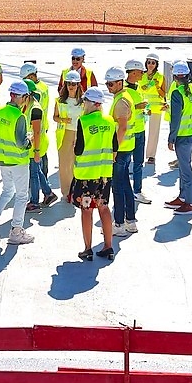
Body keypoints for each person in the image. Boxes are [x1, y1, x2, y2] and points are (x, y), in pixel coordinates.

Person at [0, 81, 36, 245]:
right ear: (22, 97)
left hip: (3, 159)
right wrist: (30, 141)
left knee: (7, 191)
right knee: (22, 196)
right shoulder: (19, 116)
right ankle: (16, 231)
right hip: (18, 161)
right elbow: (21, 143)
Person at [70, 86, 116, 261]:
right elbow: (115, 146)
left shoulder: (84, 121)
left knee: (87, 210)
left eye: (85, 102)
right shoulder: (110, 121)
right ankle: (108, 246)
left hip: (86, 175)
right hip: (104, 174)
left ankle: (88, 249)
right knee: (104, 208)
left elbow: (79, 149)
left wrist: (74, 146)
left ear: (93, 103)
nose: (83, 105)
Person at [166, 60, 192, 214]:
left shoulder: (177, 93)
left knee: (186, 170)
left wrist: (171, 138)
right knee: (183, 167)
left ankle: (190, 203)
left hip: (183, 137)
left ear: (175, 77)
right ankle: (183, 198)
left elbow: (175, 119)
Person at [104, 67, 138, 235]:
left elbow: (122, 128)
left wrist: (114, 150)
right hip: (127, 148)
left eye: (111, 84)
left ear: (119, 83)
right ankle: (130, 222)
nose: (108, 87)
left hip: (121, 150)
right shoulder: (124, 96)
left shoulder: (121, 101)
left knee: (117, 188)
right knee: (125, 185)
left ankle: (118, 225)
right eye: (107, 84)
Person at [21, 62, 59, 211]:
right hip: (39, 135)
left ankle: (35, 201)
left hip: (37, 137)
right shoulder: (42, 87)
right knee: (36, 170)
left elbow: (35, 128)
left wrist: (36, 150)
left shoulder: (36, 94)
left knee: (34, 172)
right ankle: (48, 193)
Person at [52, 70, 84, 199]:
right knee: (65, 164)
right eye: (69, 83)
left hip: (80, 134)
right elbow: (55, 117)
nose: (71, 86)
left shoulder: (83, 101)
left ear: (78, 85)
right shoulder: (60, 101)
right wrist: (63, 120)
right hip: (65, 134)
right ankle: (66, 192)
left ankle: (77, 191)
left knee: (77, 163)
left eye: (74, 84)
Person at [123, 58, 149, 205]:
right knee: (125, 163)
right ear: (133, 72)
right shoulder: (123, 89)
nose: (142, 74)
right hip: (129, 132)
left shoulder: (138, 88)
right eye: (140, 72)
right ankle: (125, 190)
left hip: (140, 129)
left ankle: (137, 191)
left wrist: (145, 111)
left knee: (139, 162)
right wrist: (136, 107)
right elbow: (120, 108)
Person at [139, 53, 169, 166]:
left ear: (156, 64)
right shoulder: (141, 75)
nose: (150, 65)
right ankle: (137, 153)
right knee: (139, 130)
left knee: (153, 132)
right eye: (149, 62)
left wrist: (156, 86)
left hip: (156, 108)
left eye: (153, 63)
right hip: (143, 106)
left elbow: (163, 93)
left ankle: (151, 155)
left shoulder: (160, 77)